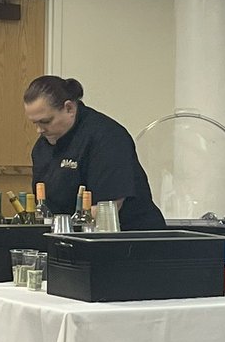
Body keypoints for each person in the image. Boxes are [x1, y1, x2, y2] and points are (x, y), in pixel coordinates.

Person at [24, 76, 165, 230]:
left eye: (45, 122)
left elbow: (108, 208)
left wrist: (66, 227)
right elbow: (44, 207)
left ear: (69, 108)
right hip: (69, 234)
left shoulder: (107, 137)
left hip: (129, 238)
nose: (39, 130)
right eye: (35, 123)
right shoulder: (42, 147)